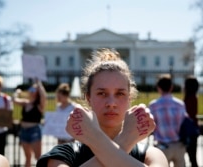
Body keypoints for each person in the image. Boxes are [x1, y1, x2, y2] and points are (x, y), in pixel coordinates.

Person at [37, 48, 168, 167]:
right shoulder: (63, 155)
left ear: (129, 99)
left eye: (120, 93)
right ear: (88, 98)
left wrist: (95, 137)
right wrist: (125, 140)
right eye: (102, 93)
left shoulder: (151, 155)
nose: (111, 103)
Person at [149, 74, 186, 167]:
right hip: (179, 144)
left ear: (159, 88)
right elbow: (184, 123)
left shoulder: (153, 105)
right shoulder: (180, 104)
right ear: (171, 87)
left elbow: (150, 125)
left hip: (162, 146)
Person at [13, 79, 46, 167]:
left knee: (38, 157)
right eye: (30, 89)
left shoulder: (39, 105)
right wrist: (17, 92)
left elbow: (44, 97)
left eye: (33, 89)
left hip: (34, 131)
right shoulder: (26, 102)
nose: (31, 91)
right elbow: (14, 100)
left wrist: (39, 84)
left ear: (37, 92)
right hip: (24, 131)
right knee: (27, 157)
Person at [184, 75, 199, 167]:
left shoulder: (189, 98)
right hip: (193, 127)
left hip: (188, 129)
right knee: (193, 155)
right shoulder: (194, 97)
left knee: (191, 156)